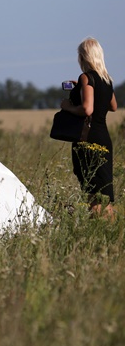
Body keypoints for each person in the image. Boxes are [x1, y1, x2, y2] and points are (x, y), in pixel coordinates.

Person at [60, 37, 117, 219]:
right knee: (103, 194)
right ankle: (110, 231)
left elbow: (87, 108)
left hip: (88, 139)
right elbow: (113, 106)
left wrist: (67, 106)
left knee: (93, 193)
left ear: (83, 57)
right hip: (104, 139)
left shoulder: (86, 77)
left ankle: (96, 227)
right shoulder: (106, 79)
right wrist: (85, 89)